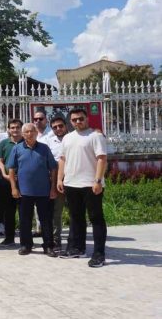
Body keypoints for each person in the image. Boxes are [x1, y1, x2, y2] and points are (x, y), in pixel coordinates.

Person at [57, 108, 109, 268]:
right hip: (71, 184)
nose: (78, 122)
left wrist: (98, 181)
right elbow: (62, 159)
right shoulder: (67, 138)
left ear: (87, 118)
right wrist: (60, 178)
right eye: (74, 120)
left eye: (80, 119)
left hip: (91, 184)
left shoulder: (96, 136)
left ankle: (99, 254)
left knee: (96, 219)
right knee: (76, 218)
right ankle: (77, 248)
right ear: (70, 122)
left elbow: (102, 159)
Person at [6, 123, 58, 257]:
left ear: (36, 133)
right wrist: (13, 188)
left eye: (32, 131)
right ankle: (26, 245)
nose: (29, 134)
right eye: (27, 132)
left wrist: (53, 188)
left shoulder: (44, 148)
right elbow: (11, 169)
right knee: (25, 220)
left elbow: (53, 168)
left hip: (44, 191)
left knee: (46, 220)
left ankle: (48, 246)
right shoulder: (17, 149)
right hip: (24, 192)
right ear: (23, 134)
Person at [0, 119, 23, 247]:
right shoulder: (3, 143)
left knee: (24, 211)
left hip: (23, 181)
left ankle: (25, 239)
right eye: (12, 127)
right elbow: (0, 160)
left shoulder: (26, 142)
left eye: (17, 127)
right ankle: (9, 238)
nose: (15, 130)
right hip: (6, 181)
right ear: (8, 129)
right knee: (8, 210)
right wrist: (4, 174)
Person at [42, 115, 68, 249]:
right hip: (56, 180)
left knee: (77, 212)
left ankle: (76, 240)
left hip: (75, 179)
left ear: (66, 125)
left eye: (60, 126)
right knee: (56, 212)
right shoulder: (48, 141)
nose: (58, 129)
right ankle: (56, 240)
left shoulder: (73, 138)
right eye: (55, 127)